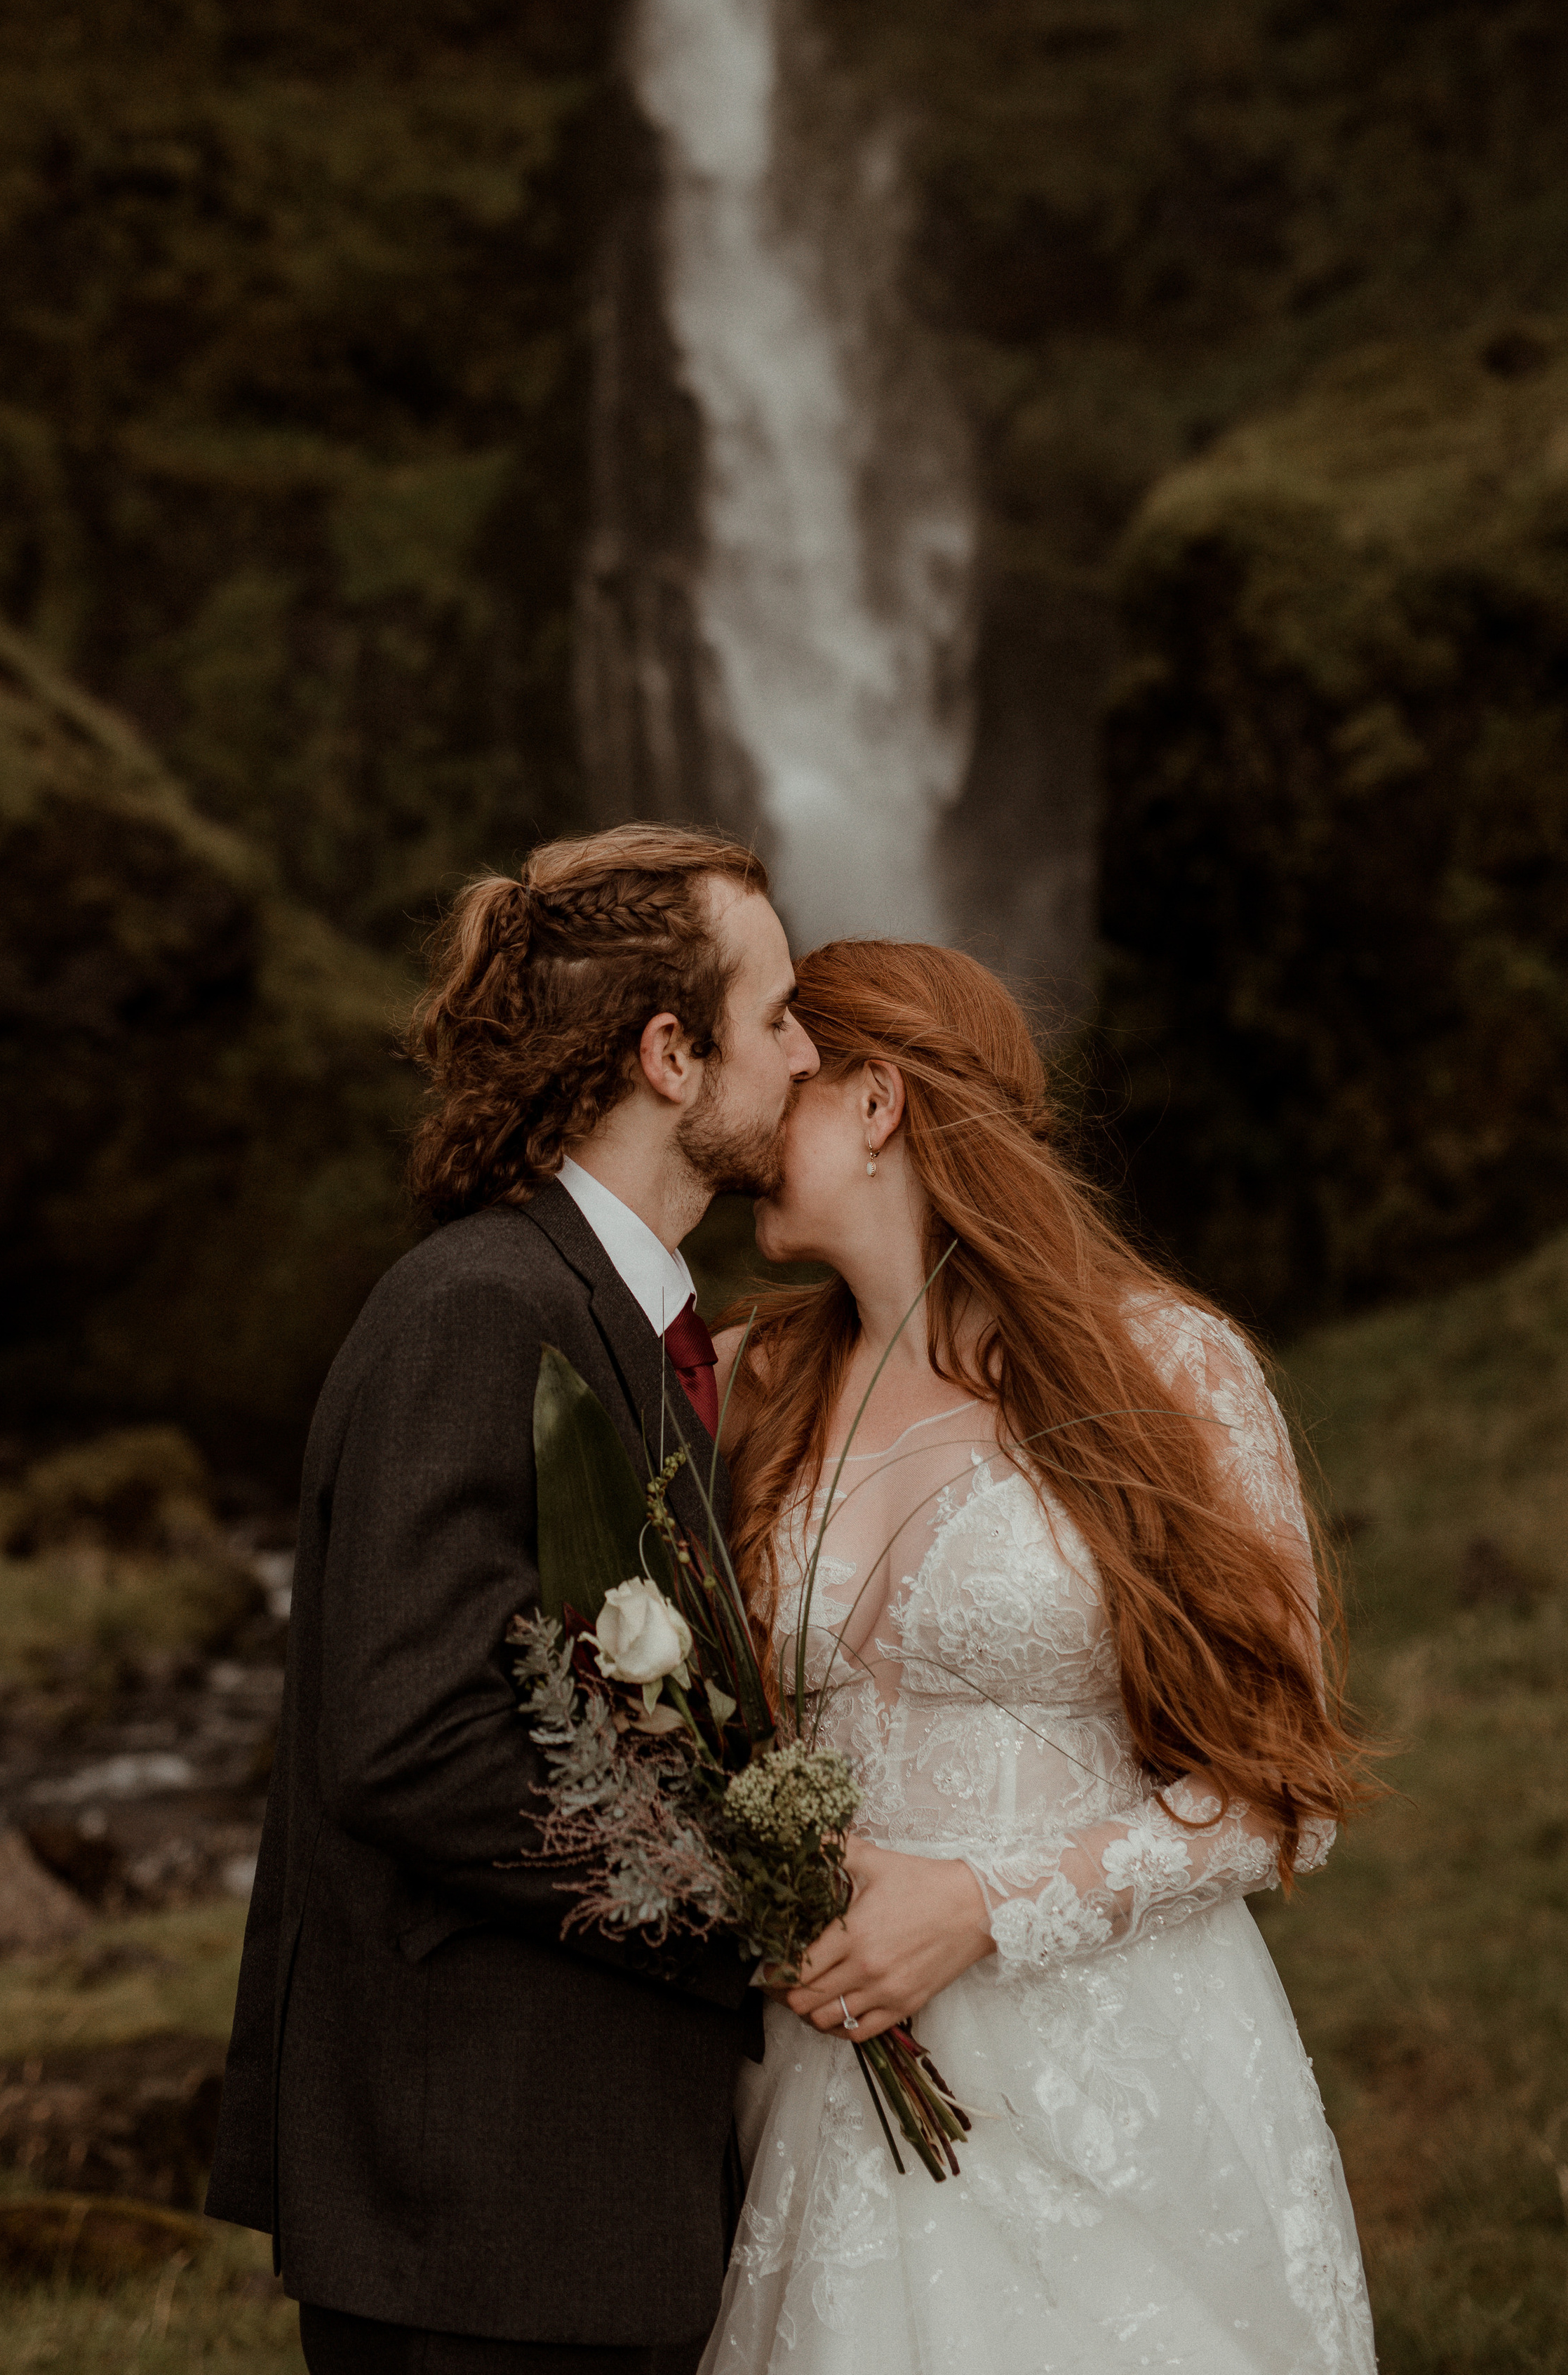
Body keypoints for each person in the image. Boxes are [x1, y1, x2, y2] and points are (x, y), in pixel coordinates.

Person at [702, 939, 1378, 2375]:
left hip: (1113, 2076)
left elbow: (1281, 1796)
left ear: (876, 1100)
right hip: (832, 2079)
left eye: (792, 1079)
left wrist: (981, 1907)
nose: (751, 1125)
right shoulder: (751, 1385)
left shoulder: (1166, 1371)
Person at [205, 822, 820, 2375]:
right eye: (777, 1018)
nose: (806, 1057)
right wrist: (749, 1906)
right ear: (668, 1053)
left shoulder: (605, 1315)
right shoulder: (481, 1310)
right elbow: (410, 1740)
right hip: (478, 2210)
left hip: (562, 2195)